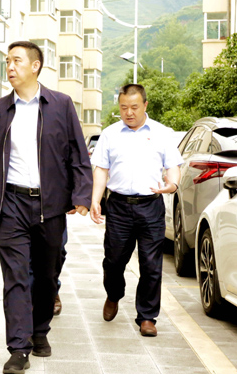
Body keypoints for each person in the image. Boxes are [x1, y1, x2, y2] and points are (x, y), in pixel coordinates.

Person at [0, 41, 93, 374]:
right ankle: (19, 348)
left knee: (46, 275)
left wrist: (82, 195)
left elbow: (78, 154)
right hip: (10, 203)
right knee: (15, 277)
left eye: (17, 61)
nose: (10, 67)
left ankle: (40, 330)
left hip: (49, 205)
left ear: (35, 66)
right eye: (7, 61)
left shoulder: (61, 105)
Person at [89, 83, 182, 337]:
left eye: (134, 107)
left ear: (145, 105)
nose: (128, 113)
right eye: (123, 108)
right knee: (113, 261)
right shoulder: (110, 134)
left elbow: (173, 166)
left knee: (151, 264)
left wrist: (173, 184)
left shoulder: (162, 133)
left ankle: (147, 317)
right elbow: (101, 170)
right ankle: (114, 294)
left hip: (150, 206)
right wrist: (96, 199)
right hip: (118, 206)